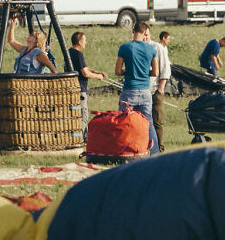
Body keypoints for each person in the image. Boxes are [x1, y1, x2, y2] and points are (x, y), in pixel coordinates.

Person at [115, 21, 159, 156]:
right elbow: (156, 73)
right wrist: (145, 73)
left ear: (133, 30)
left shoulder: (125, 48)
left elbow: (117, 71)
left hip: (129, 90)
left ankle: (122, 151)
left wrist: (127, 72)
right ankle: (155, 153)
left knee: (124, 121)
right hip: (145, 91)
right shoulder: (151, 49)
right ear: (145, 33)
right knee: (148, 123)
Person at [69, 31, 106, 140]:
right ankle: (81, 139)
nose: (86, 42)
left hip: (72, 88)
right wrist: (97, 77)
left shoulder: (70, 52)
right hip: (80, 89)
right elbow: (85, 73)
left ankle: (79, 137)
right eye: (84, 40)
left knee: (75, 114)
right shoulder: (78, 54)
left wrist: (97, 72)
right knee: (83, 115)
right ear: (80, 42)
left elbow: (84, 67)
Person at [150, 30, 172, 152]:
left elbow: (166, 69)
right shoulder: (153, 47)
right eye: (168, 39)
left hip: (156, 89)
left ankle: (159, 149)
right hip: (145, 90)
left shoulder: (160, 48)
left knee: (157, 120)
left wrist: (161, 88)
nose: (168, 41)